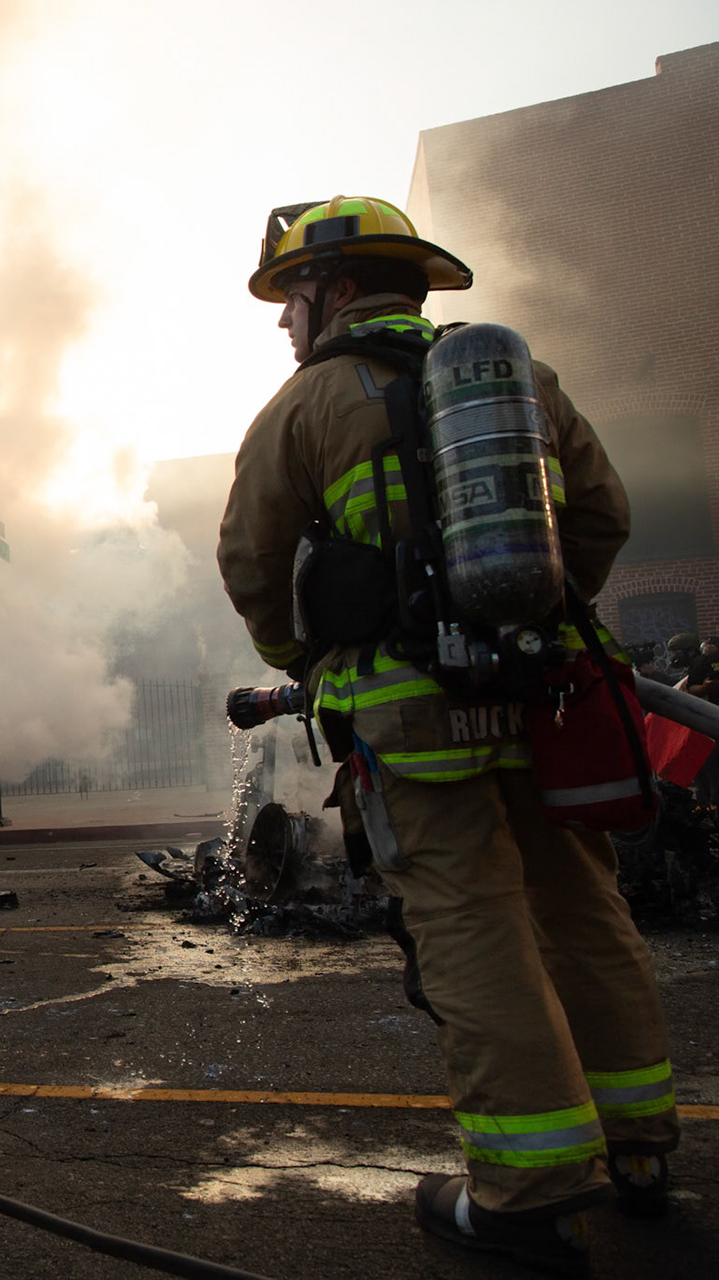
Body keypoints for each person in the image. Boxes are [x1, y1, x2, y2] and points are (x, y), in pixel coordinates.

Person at [217, 198, 677, 1274]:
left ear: (331, 289)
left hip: (414, 717)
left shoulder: (310, 402)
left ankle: (530, 1190)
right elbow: (602, 513)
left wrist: (311, 660)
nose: (285, 322)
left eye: (292, 298)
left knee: (473, 927)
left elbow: (250, 559)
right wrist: (534, 617)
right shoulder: (519, 382)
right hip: (547, 698)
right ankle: (644, 1152)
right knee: (582, 907)